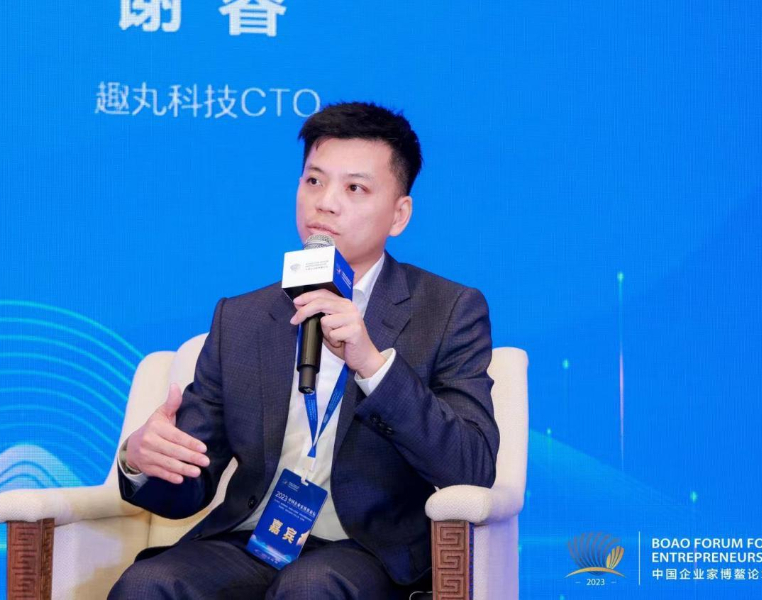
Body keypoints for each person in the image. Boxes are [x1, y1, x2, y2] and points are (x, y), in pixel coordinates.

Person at [110, 101, 499, 599]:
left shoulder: (447, 311)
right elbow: (189, 489)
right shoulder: (241, 318)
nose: (325, 203)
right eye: (314, 181)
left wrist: (373, 366)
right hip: (251, 542)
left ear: (399, 214)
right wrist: (142, 460)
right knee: (147, 585)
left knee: (311, 587)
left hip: (368, 551)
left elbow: (471, 466)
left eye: (354, 188)